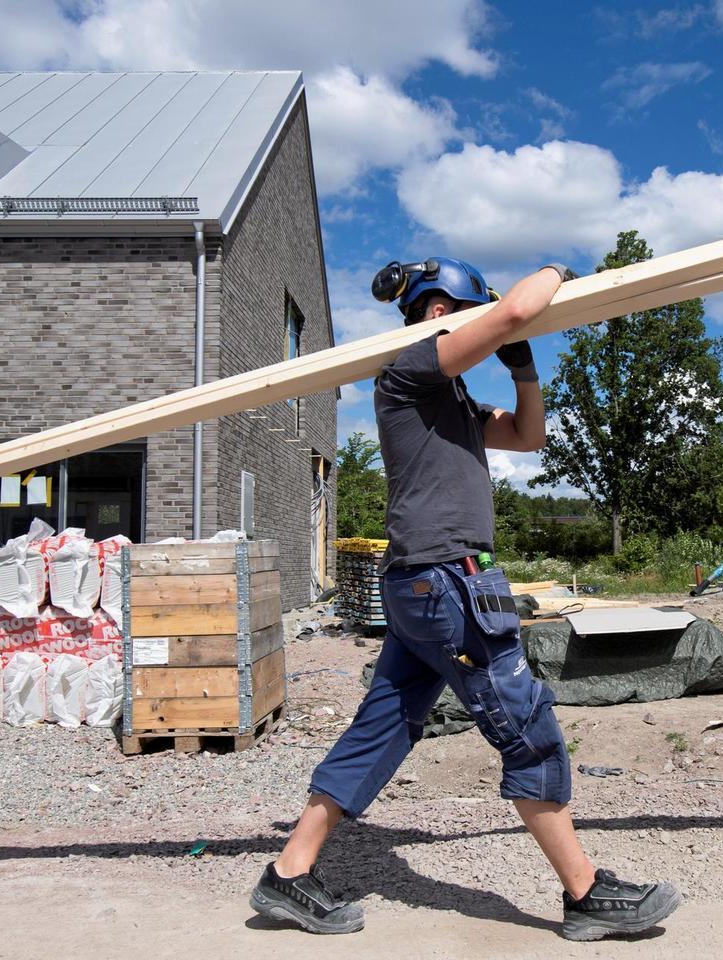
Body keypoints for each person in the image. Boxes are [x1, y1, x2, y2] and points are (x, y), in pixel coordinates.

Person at [249, 257, 682, 941]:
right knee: (525, 727)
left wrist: (524, 369)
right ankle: (586, 892)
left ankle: (289, 874)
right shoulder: (410, 372)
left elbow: (529, 436)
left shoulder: (450, 401)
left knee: (382, 727)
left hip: (426, 584)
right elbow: (513, 309)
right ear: (443, 312)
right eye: (469, 312)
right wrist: (553, 270)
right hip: (445, 582)